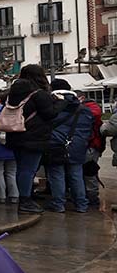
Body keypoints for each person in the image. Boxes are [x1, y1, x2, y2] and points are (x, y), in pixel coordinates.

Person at [3, 65, 57, 214]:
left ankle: (25, 197)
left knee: (22, 169)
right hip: (34, 137)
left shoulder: (13, 93)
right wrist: (60, 103)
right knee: (28, 169)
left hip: (15, 134)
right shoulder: (39, 94)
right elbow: (50, 114)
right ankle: (25, 201)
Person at [44, 79, 92, 213]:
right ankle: (81, 205)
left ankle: (58, 204)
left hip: (56, 144)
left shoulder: (53, 106)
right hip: (77, 145)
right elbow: (87, 129)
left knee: (56, 174)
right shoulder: (84, 109)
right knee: (76, 174)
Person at [79, 92, 104, 208]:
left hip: (91, 145)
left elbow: (95, 114)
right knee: (84, 173)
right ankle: (87, 196)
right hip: (86, 145)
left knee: (90, 172)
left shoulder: (91, 107)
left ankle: (92, 198)